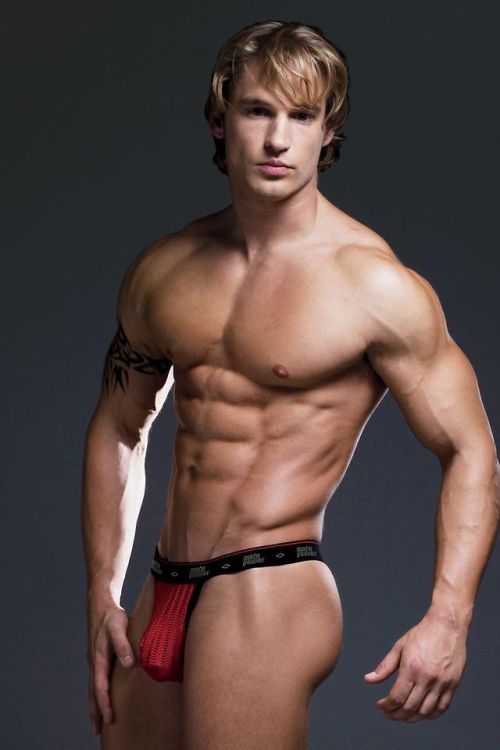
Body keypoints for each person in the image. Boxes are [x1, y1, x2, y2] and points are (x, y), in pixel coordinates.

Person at [81, 19, 499, 750]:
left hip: (266, 584)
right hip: (162, 584)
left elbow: (471, 451)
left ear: (328, 131)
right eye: (257, 110)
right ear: (219, 119)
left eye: (302, 117)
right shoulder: (164, 270)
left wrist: (449, 617)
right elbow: (119, 427)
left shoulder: (371, 284)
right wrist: (100, 592)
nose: (278, 139)